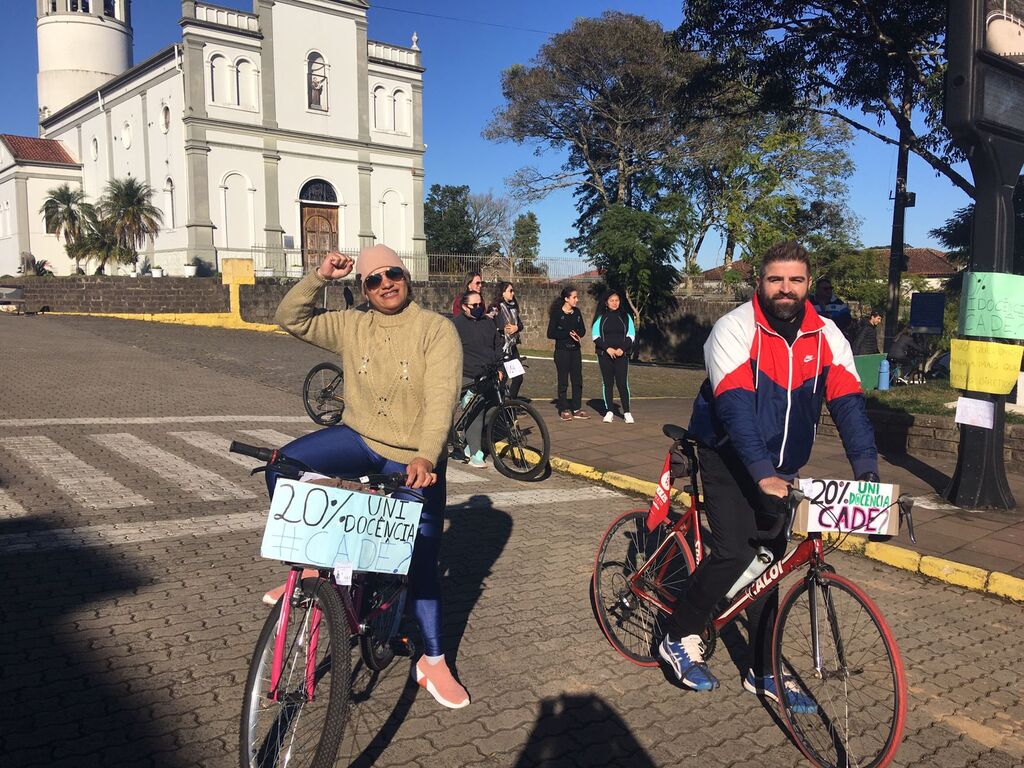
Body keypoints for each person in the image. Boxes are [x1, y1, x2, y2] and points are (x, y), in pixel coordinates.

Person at [661, 241, 879, 710]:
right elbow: (736, 407)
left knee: (770, 565)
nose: (786, 288)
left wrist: (867, 470)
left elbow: (849, 407)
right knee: (733, 551)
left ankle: (763, 669)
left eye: (795, 280)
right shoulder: (734, 329)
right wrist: (761, 473)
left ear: (807, 284)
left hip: (782, 465)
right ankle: (678, 635)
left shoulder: (828, 336)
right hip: (726, 455)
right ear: (759, 282)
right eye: (776, 279)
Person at [272, 244, 470, 709]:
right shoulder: (352, 323)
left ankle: (434, 661)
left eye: (393, 274)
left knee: (419, 557)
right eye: (373, 279)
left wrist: (426, 456)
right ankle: (311, 563)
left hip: (414, 458)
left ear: (407, 275)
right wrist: (319, 277)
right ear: (362, 287)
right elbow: (290, 318)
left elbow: (443, 397)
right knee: (283, 463)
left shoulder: (435, 329)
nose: (386, 284)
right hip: (359, 439)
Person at [453, 289, 503, 468]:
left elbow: (497, 344)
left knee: (494, 408)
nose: (478, 308)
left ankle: (466, 441)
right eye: (474, 305)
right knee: (476, 410)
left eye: (480, 304)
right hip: (468, 375)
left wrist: (499, 365)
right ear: (464, 307)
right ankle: (475, 453)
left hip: (489, 373)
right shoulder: (456, 325)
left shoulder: (487, 323)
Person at [592, 289, 636, 423]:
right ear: (606, 302)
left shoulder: (626, 316)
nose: (615, 303)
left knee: (622, 383)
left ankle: (627, 412)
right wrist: (608, 349)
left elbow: (631, 335)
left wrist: (622, 349)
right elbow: (595, 336)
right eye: (612, 300)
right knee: (608, 383)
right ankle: (609, 411)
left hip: (622, 355)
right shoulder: (601, 317)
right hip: (604, 355)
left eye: (617, 300)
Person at [547, 285, 588, 421]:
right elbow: (551, 333)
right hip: (562, 351)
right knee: (563, 381)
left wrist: (577, 334)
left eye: (577, 297)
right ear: (566, 298)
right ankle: (563, 408)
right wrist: (567, 334)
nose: (577, 300)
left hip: (575, 351)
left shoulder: (577, 312)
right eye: (574, 297)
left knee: (577, 380)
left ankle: (576, 408)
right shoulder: (557, 313)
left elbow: (582, 330)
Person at [491, 281, 525, 399]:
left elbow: (520, 324)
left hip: (512, 347)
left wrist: (517, 327)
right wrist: (501, 330)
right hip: (502, 348)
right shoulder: (495, 308)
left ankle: (511, 402)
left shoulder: (514, 307)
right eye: (510, 291)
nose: (512, 293)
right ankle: (499, 406)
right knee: (502, 378)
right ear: (503, 293)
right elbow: (489, 324)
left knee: (518, 377)